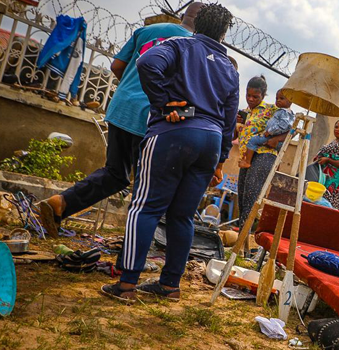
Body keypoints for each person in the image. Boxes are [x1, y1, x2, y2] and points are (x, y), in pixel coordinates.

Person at [100, 3, 238, 302]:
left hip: (175, 132)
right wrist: (221, 160)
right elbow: (229, 121)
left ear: (197, 23)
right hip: (211, 142)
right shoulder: (230, 67)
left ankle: (126, 285)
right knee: (183, 216)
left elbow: (147, 64)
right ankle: (170, 285)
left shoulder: (179, 45)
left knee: (145, 207)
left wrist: (163, 103)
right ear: (225, 33)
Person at [38, 2, 206, 236]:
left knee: (116, 174)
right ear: (204, 23)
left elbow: (117, 66)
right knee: (146, 185)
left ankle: (61, 203)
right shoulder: (194, 47)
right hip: (151, 116)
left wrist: (131, 89)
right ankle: (132, 245)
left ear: (184, 16)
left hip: (121, 106)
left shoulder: (147, 32)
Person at [236, 76, 286, 229]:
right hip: (246, 156)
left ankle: (243, 236)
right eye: (248, 95)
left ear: (264, 95)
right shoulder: (244, 112)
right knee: (242, 195)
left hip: (264, 153)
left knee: (252, 192)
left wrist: (277, 139)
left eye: (255, 97)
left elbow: (291, 128)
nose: (250, 99)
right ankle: (243, 237)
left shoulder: (272, 109)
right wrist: (236, 123)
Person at [238, 89, 295, 169]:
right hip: (254, 150)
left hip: (266, 149)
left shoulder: (277, 110)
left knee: (253, 141)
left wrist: (272, 133)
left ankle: (247, 161)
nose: (278, 100)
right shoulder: (247, 111)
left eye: (281, 98)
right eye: (277, 98)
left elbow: (288, 127)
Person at [314, 119, 339, 211]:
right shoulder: (334, 142)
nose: (337, 129)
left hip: (336, 182)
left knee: (331, 206)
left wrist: (329, 160)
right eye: (336, 127)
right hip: (326, 178)